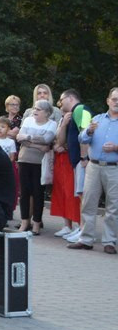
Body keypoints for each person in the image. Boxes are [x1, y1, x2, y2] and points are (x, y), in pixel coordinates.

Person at [70, 87, 118, 253]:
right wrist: (89, 131)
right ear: (108, 101)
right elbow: (81, 138)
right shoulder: (97, 119)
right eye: (114, 99)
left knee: (113, 207)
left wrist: (116, 148)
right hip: (94, 166)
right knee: (88, 203)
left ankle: (110, 241)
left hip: (114, 168)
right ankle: (86, 239)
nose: (116, 102)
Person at [52, 90, 91, 242]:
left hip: (82, 160)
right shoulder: (72, 113)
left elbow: (86, 134)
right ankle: (81, 228)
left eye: (62, 100)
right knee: (80, 195)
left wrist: (84, 157)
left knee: (83, 196)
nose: (60, 104)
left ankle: (84, 230)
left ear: (70, 98)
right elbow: (62, 141)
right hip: (76, 161)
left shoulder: (81, 109)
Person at [15, 99, 58, 234]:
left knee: (38, 193)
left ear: (47, 112)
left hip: (40, 163)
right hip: (24, 159)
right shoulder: (27, 120)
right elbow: (19, 137)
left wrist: (29, 140)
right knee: (25, 193)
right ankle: (24, 221)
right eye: (34, 108)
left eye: (38, 109)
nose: (35, 111)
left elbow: (47, 139)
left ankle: (36, 223)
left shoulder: (52, 124)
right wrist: (37, 143)